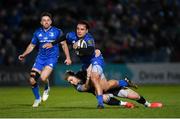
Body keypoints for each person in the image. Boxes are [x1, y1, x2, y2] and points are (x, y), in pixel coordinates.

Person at [43, 20, 107, 108]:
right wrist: (52, 43)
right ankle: (123, 84)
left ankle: (100, 104)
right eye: (78, 29)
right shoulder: (72, 35)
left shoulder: (89, 38)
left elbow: (90, 51)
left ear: (86, 31)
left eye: (82, 29)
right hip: (86, 64)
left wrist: (78, 48)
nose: (79, 31)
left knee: (94, 78)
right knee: (106, 88)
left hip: (95, 60)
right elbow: (64, 37)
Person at [18, 12, 72, 107]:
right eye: (44, 20)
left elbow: (64, 45)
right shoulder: (37, 33)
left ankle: (47, 86)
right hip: (40, 58)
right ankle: (37, 99)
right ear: (41, 22)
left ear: (51, 21)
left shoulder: (57, 31)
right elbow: (32, 45)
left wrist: (68, 57)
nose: (46, 22)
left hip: (52, 58)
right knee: (32, 79)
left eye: (48, 20)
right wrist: (24, 54)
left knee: (43, 78)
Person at [64, 70, 163, 108]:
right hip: (100, 93)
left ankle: (148, 104)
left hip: (108, 87)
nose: (71, 83)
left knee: (135, 96)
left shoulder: (82, 73)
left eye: (71, 80)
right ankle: (125, 104)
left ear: (75, 76)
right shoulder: (78, 88)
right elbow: (86, 87)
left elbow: (92, 68)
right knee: (102, 98)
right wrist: (89, 77)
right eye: (69, 82)